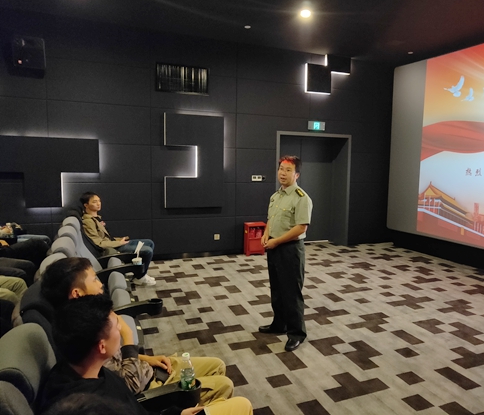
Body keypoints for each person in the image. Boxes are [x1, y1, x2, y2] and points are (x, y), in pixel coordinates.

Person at [41, 257, 235, 406]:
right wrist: (128, 337)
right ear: (77, 293)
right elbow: (128, 386)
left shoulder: (87, 319)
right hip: (148, 386)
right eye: (94, 280)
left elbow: (115, 360)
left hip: (147, 370)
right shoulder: (82, 333)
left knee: (217, 365)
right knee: (224, 386)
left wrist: (146, 358)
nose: (100, 284)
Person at [38, 295, 252, 415]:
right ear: (101, 347)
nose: (121, 329)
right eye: (116, 327)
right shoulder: (88, 406)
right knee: (243, 405)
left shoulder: (83, 368)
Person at [259, 155, 313, 352]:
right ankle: (279, 324)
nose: (282, 173)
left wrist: (277, 241)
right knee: (277, 290)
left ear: (296, 174)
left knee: (291, 293)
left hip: (290, 249)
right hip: (274, 247)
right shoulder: (276, 196)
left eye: (288, 170)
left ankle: (296, 333)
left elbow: (301, 228)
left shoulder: (301, 198)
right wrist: (266, 234)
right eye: (281, 169)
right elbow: (271, 219)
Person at [80, 191, 156, 286]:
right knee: (147, 251)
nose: (98, 204)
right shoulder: (88, 221)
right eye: (94, 202)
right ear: (86, 205)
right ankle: (140, 277)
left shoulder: (96, 218)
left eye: (99, 201)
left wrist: (119, 239)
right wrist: (119, 243)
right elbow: (98, 243)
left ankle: (140, 273)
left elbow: (105, 237)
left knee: (149, 243)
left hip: (114, 243)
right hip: (110, 248)